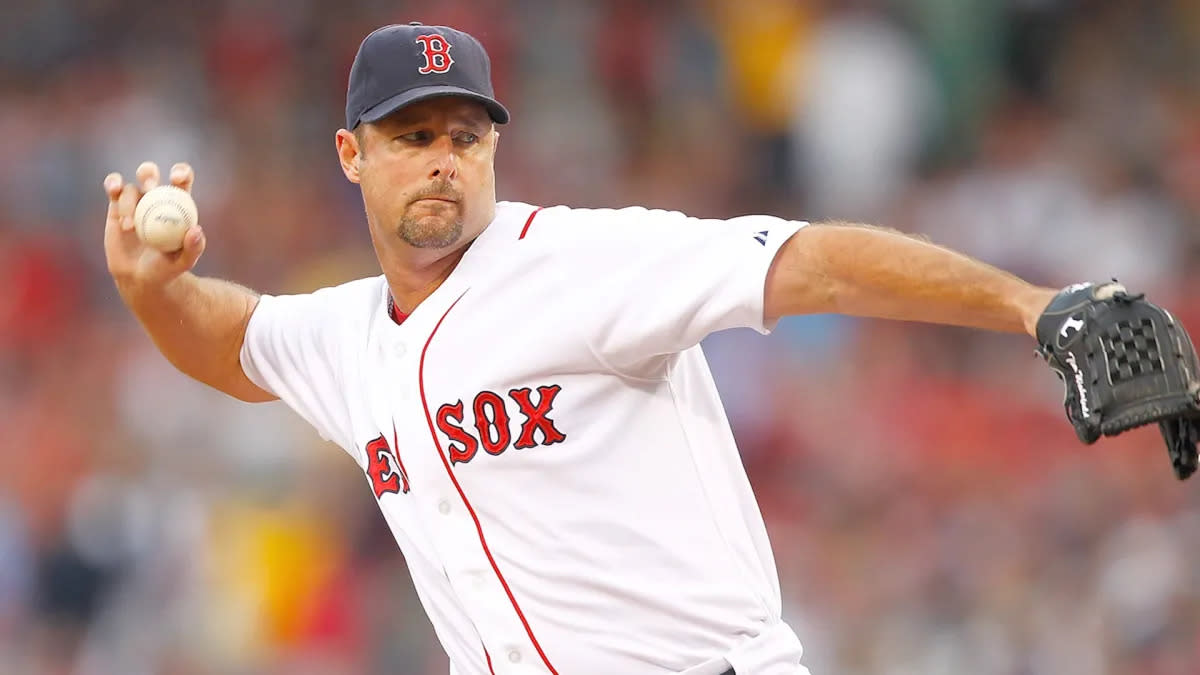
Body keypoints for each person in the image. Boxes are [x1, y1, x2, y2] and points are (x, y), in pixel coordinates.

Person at [103, 23, 1063, 675]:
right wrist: (156, 291)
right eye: (414, 133)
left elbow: (811, 264)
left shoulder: (578, 261)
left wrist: (1029, 304)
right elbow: (234, 342)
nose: (445, 155)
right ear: (352, 154)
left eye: (467, 134)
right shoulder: (349, 334)